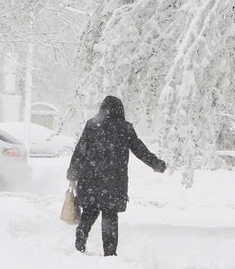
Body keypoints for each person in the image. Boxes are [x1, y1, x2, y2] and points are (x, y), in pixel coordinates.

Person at [67, 96, 167, 256]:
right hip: (113, 182)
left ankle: (80, 241)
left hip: (90, 178)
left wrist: (72, 175)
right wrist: (156, 164)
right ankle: (110, 253)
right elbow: (140, 149)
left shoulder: (92, 125)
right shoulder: (125, 128)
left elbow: (80, 151)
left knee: (88, 212)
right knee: (110, 217)